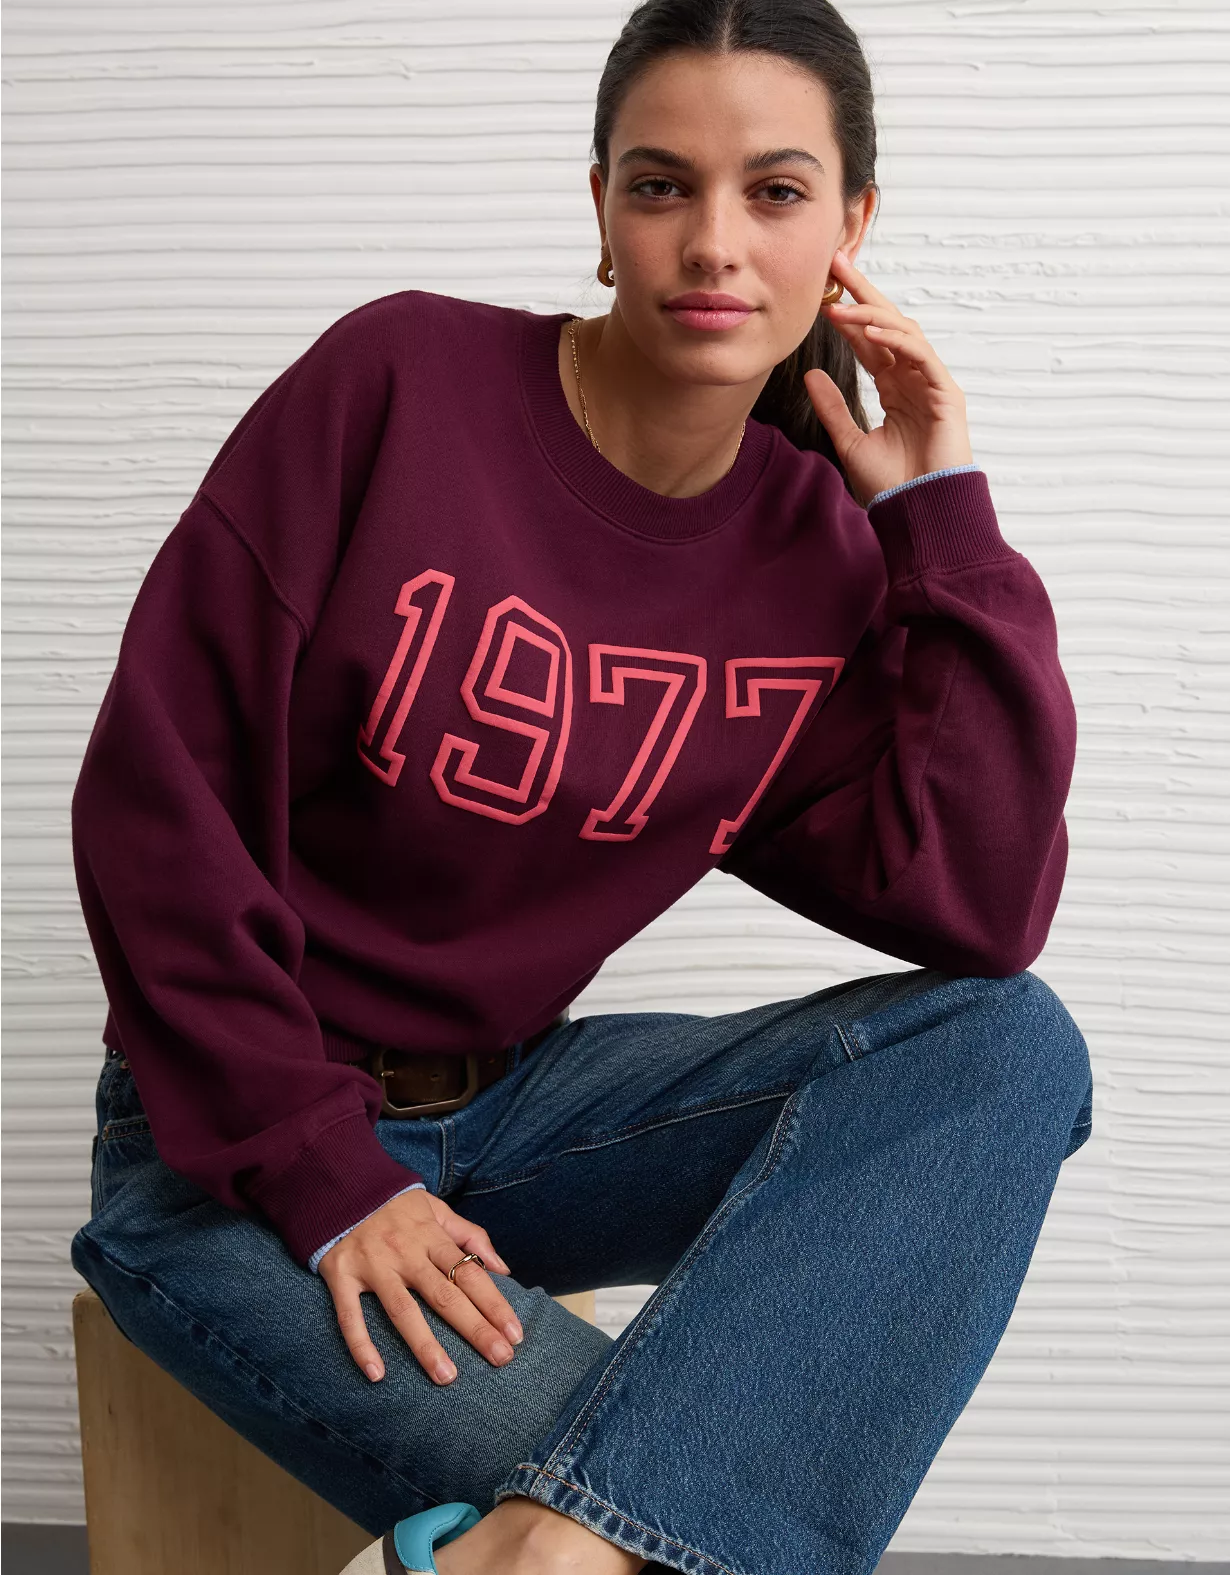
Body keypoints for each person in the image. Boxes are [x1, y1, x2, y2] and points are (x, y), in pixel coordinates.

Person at [68, 2, 1095, 1573]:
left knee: (1005, 1046)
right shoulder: (398, 384)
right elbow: (158, 805)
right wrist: (325, 1175)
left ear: (849, 228)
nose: (713, 243)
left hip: (518, 1115)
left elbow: (979, 908)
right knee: (701, 1512)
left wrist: (941, 521)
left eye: (774, 191)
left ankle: (528, 1552)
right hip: (230, 1149)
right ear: (601, 208)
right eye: (661, 184)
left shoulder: (815, 555)